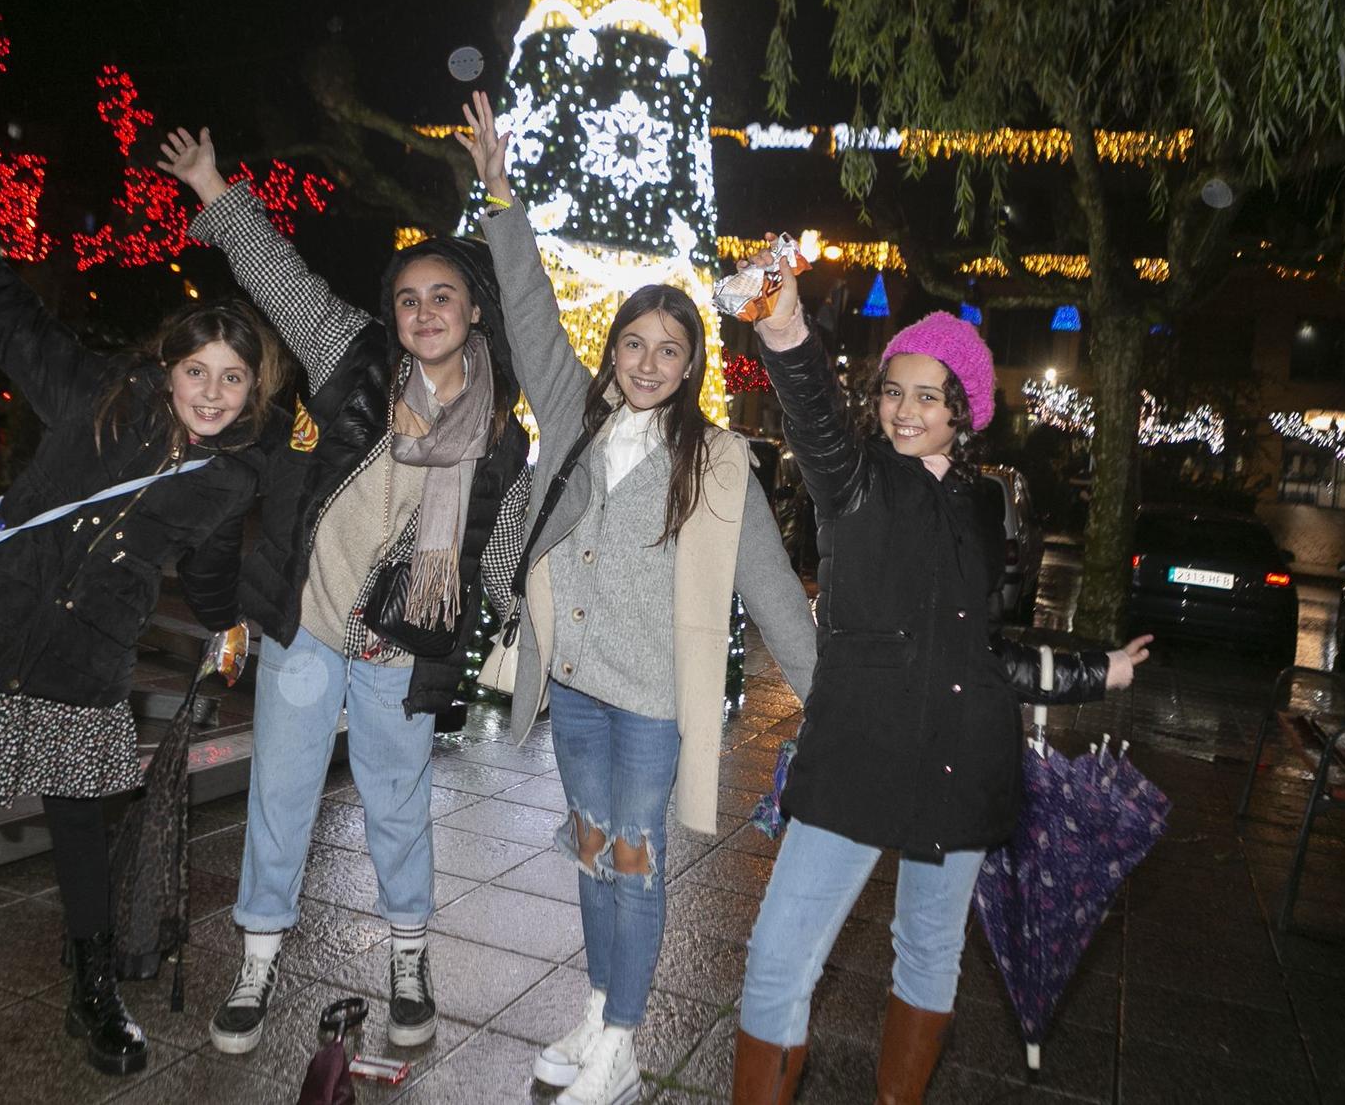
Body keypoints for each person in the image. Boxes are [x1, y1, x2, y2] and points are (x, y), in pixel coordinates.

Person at [0, 155, 287, 1104]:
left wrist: (230, 626)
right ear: (167, 367)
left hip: (83, 660)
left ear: (252, 386)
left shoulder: (232, 478)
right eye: (197, 371)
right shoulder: (99, 393)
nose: (213, 393)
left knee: (78, 823)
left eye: (233, 377)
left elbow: (213, 573)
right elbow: (10, 320)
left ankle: (92, 986)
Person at [457, 92, 819, 1105]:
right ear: (611, 351)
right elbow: (525, 304)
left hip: (652, 698)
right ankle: (594, 1002)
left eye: (669, 349)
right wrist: (497, 191)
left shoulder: (717, 461)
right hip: (571, 681)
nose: (648, 362)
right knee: (586, 846)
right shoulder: (573, 417)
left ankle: (620, 1038)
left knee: (634, 856)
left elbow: (773, 590)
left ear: (691, 363)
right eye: (633, 345)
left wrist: (830, 694)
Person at [728, 253, 1152, 1105]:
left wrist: (1090, 670)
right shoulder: (853, 481)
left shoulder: (985, 507)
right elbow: (812, 410)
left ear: (965, 411)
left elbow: (983, 651)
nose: (905, 409)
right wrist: (783, 322)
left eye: (930, 395)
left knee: (927, 949)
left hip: (963, 756)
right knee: (778, 956)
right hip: (858, 750)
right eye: (894, 391)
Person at [158, 127, 532, 1054]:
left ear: (475, 311)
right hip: (307, 623)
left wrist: (534, 628)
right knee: (279, 793)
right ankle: (257, 958)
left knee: (396, 798)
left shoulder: (499, 434)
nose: (425, 309)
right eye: (409, 298)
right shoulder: (354, 362)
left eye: (444, 295)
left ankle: (409, 954)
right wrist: (211, 181)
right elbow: (279, 278)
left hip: (404, 646)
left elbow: (512, 547)